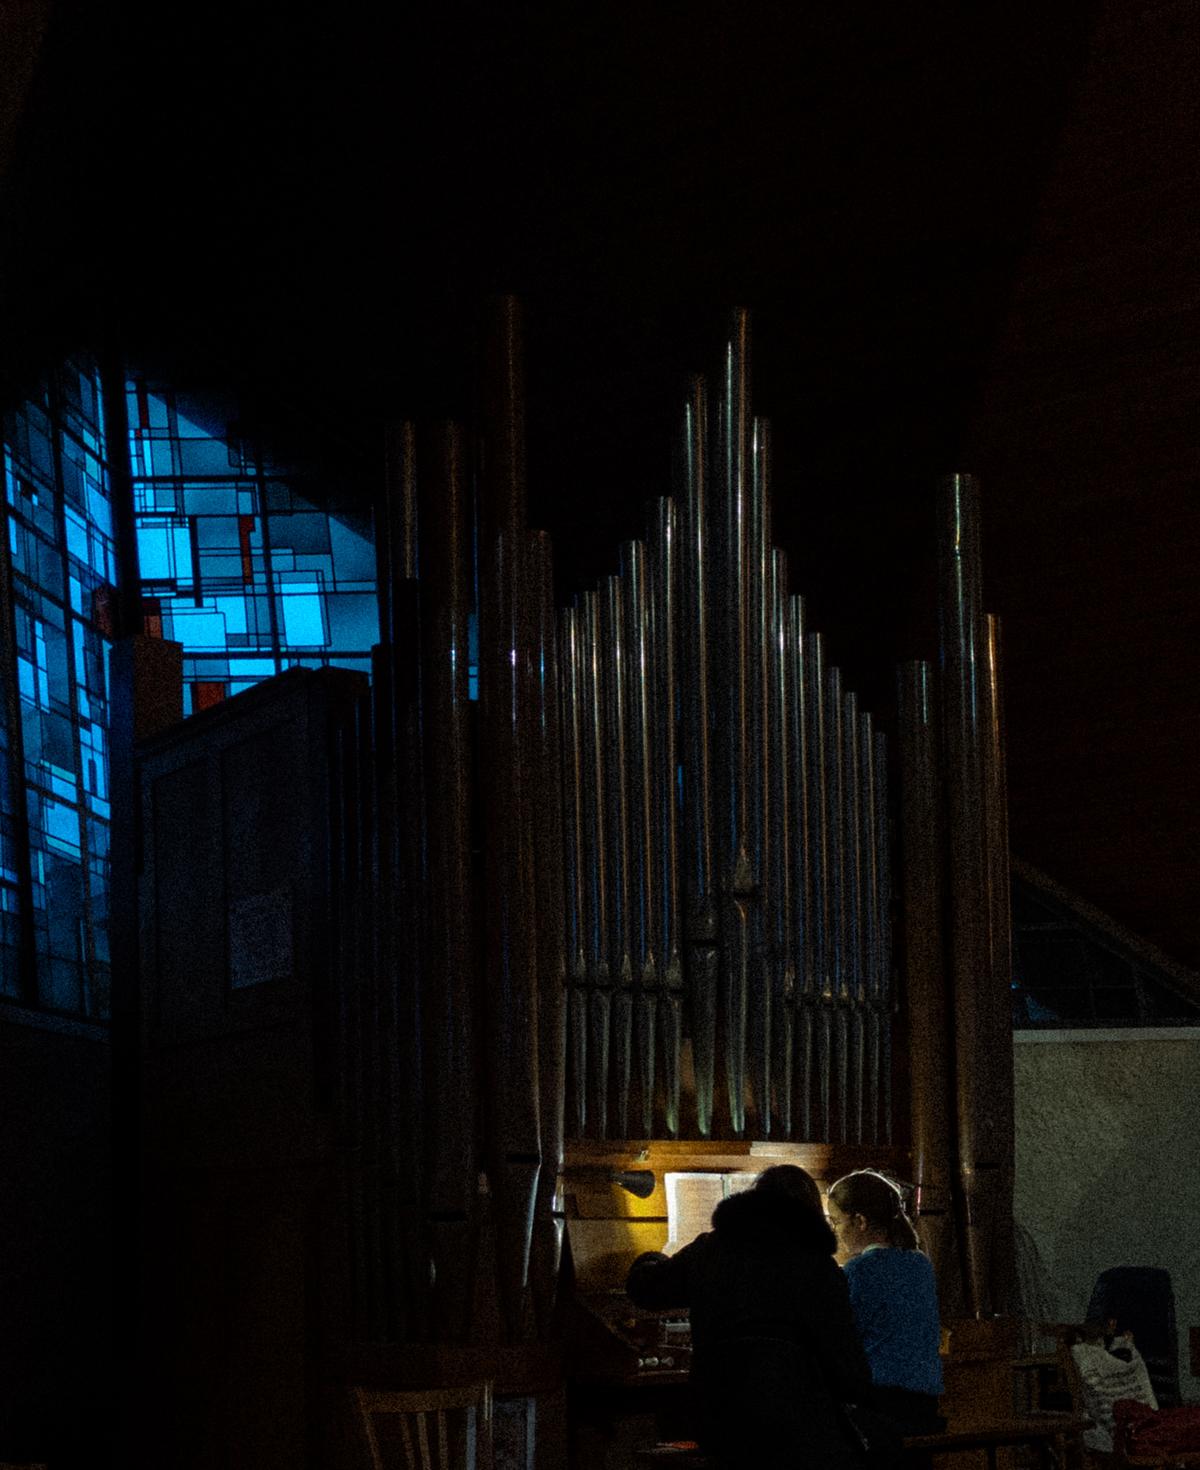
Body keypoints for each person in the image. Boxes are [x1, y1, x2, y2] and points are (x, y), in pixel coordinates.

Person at [626, 1164, 875, 1470]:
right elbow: (849, 1374)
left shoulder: (710, 1250)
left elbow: (643, 1290)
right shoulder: (820, 1268)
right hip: (795, 1429)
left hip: (720, 1423)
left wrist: (653, 1259)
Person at [825, 1170, 944, 1434]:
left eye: (836, 1221)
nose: (835, 1231)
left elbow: (845, 1338)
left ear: (860, 1221)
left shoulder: (860, 1270)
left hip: (881, 1403)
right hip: (925, 1403)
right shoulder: (920, 1264)